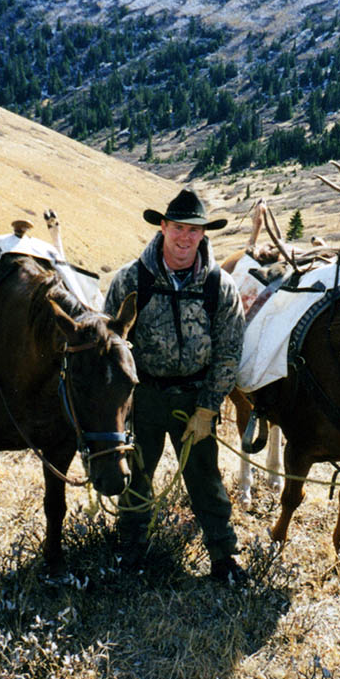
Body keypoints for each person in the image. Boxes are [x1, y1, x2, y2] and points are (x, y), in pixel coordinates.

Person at [104, 188, 247, 584]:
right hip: (143, 398)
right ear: (163, 227)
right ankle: (130, 555)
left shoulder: (220, 286)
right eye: (178, 227)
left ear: (204, 235)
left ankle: (223, 557)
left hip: (194, 399)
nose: (185, 238)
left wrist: (207, 408)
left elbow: (229, 351)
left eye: (194, 230)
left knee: (206, 481)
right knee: (136, 476)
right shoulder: (130, 280)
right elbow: (110, 347)